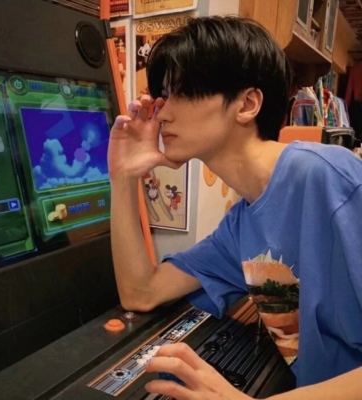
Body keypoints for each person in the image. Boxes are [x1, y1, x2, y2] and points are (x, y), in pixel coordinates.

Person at [107, 15, 362, 400]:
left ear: (247, 104)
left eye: (183, 92)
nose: (163, 113)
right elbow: (141, 292)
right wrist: (123, 177)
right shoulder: (240, 226)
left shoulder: (329, 178)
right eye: (164, 94)